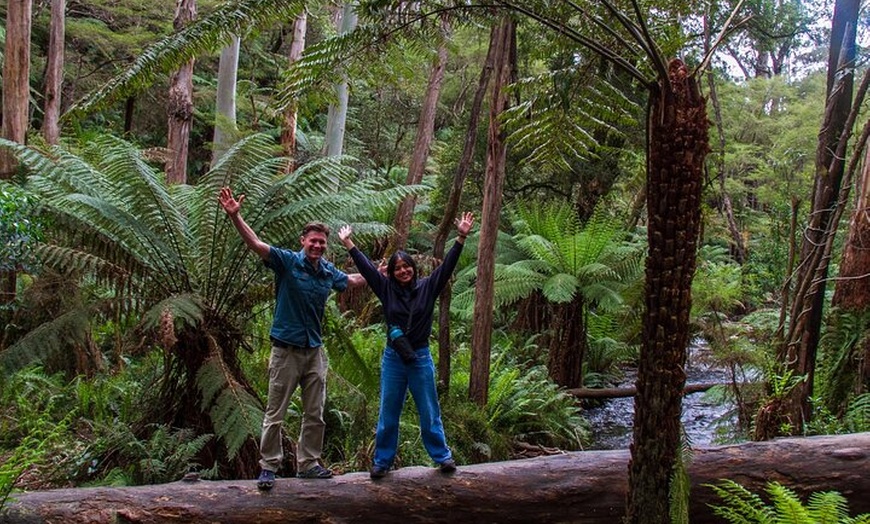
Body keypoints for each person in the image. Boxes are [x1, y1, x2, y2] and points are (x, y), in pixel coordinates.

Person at [218, 186, 363, 490]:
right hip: (285, 351)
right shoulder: (286, 262)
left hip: (314, 351)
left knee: (315, 412)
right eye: (313, 241)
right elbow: (256, 244)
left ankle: (308, 464)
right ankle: (268, 466)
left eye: (322, 242)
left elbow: (351, 281)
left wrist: (379, 274)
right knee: (275, 412)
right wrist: (235, 217)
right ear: (303, 241)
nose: (318, 246)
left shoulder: (326, 272)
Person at [337, 212, 474, 479]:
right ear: (392, 271)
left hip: (420, 356)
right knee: (389, 410)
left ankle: (442, 456)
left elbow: (446, 267)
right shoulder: (385, 288)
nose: (403, 271)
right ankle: (382, 461)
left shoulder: (428, 287)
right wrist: (349, 243)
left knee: (428, 409)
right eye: (397, 268)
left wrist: (461, 237)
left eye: (406, 266)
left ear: (413, 268)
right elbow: (366, 268)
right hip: (394, 359)